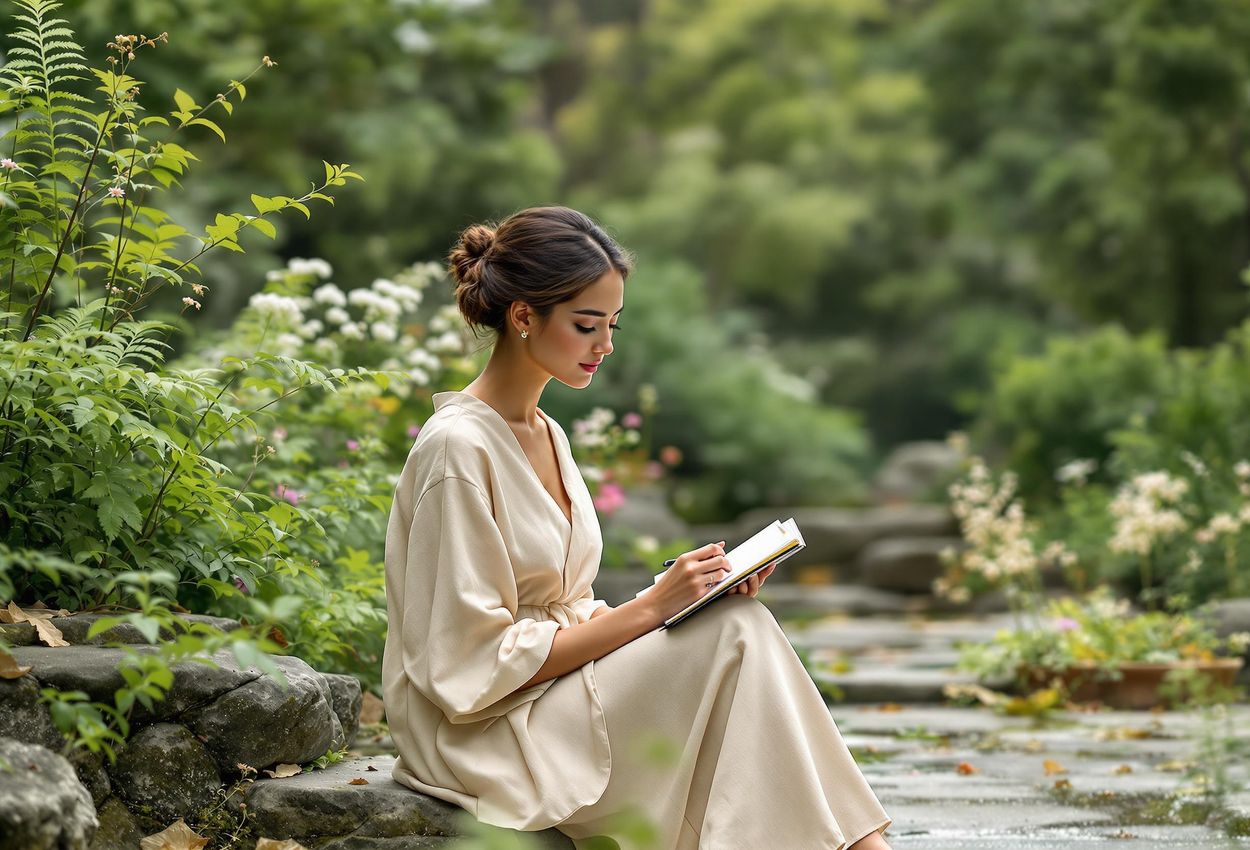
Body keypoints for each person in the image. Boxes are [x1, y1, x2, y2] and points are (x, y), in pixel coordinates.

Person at [381, 206, 893, 850]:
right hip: (484, 732)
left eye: (612, 325)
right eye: (586, 324)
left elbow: (564, 614)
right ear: (522, 317)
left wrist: (689, 596)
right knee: (736, 635)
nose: (606, 345)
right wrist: (655, 607)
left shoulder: (547, 434)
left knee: (731, 623)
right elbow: (468, 665)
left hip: (546, 694)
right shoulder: (457, 449)